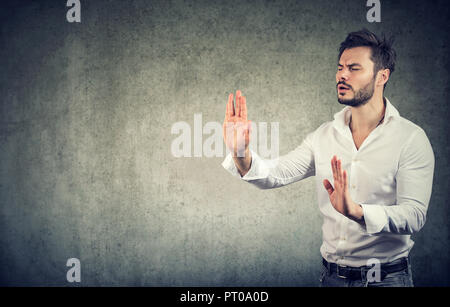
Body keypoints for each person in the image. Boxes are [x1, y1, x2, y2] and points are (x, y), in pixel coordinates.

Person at [221, 29, 435, 287]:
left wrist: (358, 212)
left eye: (354, 68)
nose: (342, 75)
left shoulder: (410, 138)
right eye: (340, 67)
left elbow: (414, 215)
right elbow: (274, 174)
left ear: (382, 76)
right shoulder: (323, 136)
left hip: (387, 279)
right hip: (331, 278)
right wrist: (240, 152)